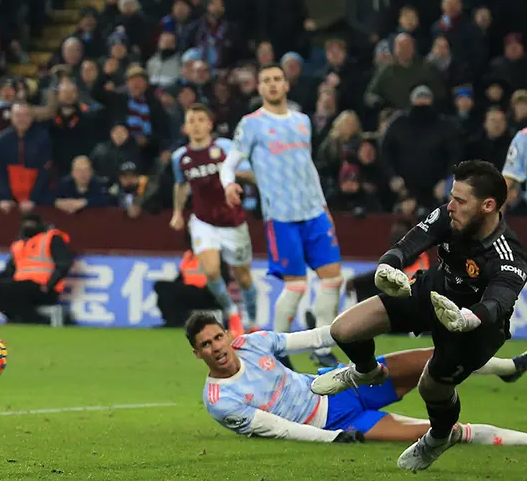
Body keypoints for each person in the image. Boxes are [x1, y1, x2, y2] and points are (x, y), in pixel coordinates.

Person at [309, 160, 527, 471]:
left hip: (476, 329)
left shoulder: (508, 255)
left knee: (431, 388)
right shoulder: (449, 216)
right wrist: (388, 266)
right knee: (344, 329)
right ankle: (367, 371)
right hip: (434, 291)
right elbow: (410, 243)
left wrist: (469, 319)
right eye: (452, 196)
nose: (450, 205)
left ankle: (438, 437)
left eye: (461, 200)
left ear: (488, 205)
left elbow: (497, 302)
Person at [188, 314, 527, 444]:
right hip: (334, 422)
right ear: (197, 353)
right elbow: (277, 428)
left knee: (436, 357)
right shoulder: (220, 401)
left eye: (218, 337)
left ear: (226, 334)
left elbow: (314, 337)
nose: (217, 347)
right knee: (445, 433)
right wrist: (333, 438)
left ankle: (509, 369)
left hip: (343, 383)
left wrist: (356, 325)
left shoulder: (249, 343)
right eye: (206, 344)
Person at [220, 65, 344, 368]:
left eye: (277, 80)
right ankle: (276, 346)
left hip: (314, 211)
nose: (272, 85)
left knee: (333, 279)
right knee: (296, 285)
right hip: (282, 215)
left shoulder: (302, 122)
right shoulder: (251, 125)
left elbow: (307, 166)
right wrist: (229, 184)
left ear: (286, 85)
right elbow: (229, 162)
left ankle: (323, 346)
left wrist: (324, 206)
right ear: (259, 88)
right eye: (266, 81)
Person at [170, 104, 258, 336]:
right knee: (210, 271)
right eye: (192, 121)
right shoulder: (180, 157)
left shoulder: (226, 148)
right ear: (185, 127)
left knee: (244, 278)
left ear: (210, 124)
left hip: (234, 222)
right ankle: (232, 313)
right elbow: (180, 185)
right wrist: (178, 212)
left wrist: (230, 173)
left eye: (201, 119)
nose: (196, 125)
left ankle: (252, 320)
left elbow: (252, 175)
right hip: (203, 222)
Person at [0, 213, 74, 324]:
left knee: (13, 288)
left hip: (44, 287)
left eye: (32, 223)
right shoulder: (18, 245)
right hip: (20, 285)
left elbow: (64, 264)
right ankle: (17, 317)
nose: (28, 226)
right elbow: (8, 272)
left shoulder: (51, 239)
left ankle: (32, 319)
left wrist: (49, 285)